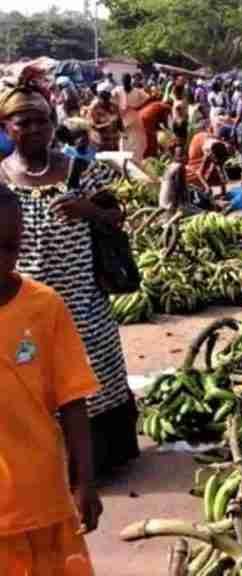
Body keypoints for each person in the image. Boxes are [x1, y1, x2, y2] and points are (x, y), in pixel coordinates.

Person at [0, 66, 139, 476]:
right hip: (20, 299)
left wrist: (88, 210)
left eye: (43, 120)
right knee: (30, 376)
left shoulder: (80, 169)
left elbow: (117, 215)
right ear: (7, 126)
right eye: (24, 122)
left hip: (82, 299)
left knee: (90, 374)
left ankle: (96, 462)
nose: (35, 128)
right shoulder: (1, 178)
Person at [0, 186, 103, 574]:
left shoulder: (44, 306)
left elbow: (73, 399)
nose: (0, 259)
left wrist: (85, 480)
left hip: (42, 496)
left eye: (9, 247)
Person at [114, 73, 148, 163]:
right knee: (123, 141)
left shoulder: (138, 91)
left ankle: (136, 161)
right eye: (124, 80)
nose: (126, 82)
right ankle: (123, 162)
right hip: (122, 120)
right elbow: (110, 99)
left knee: (137, 141)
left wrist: (138, 107)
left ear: (130, 81)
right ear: (122, 81)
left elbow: (148, 99)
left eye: (127, 80)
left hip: (135, 120)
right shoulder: (118, 90)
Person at [86, 87, 122, 153]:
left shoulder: (114, 106)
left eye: (108, 100)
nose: (107, 102)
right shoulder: (94, 109)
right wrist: (107, 124)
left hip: (115, 140)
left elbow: (119, 120)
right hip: (102, 142)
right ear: (100, 100)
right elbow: (93, 127)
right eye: (104, 101)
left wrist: (123, 131)